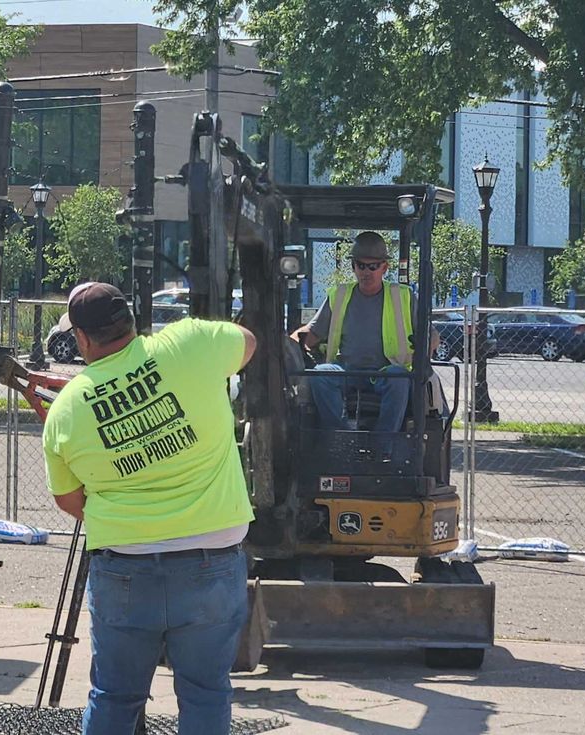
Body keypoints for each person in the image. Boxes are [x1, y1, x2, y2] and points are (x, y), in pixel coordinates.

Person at [42, 282, 257, 735]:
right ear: (132, 320)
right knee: (205, 692)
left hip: (124, 569)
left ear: (81, 339)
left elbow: (70, 501)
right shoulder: (189, 343)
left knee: (115, 696)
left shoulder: (66, 409)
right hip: (212, 562)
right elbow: (249, 344)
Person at [292, 231, 439, 434]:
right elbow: (313, 332)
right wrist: (289, 343)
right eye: (361, 265)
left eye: (373, 266)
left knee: (400, 378)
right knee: (320, 375)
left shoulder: (403, 296)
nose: (366, 272)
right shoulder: (339, 295)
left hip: (386, 371)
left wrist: (425, 351)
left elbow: (431, 335)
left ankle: (383, 443)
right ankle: (340, 438)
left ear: (384, 268)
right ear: (353, 267)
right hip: (346, 370)